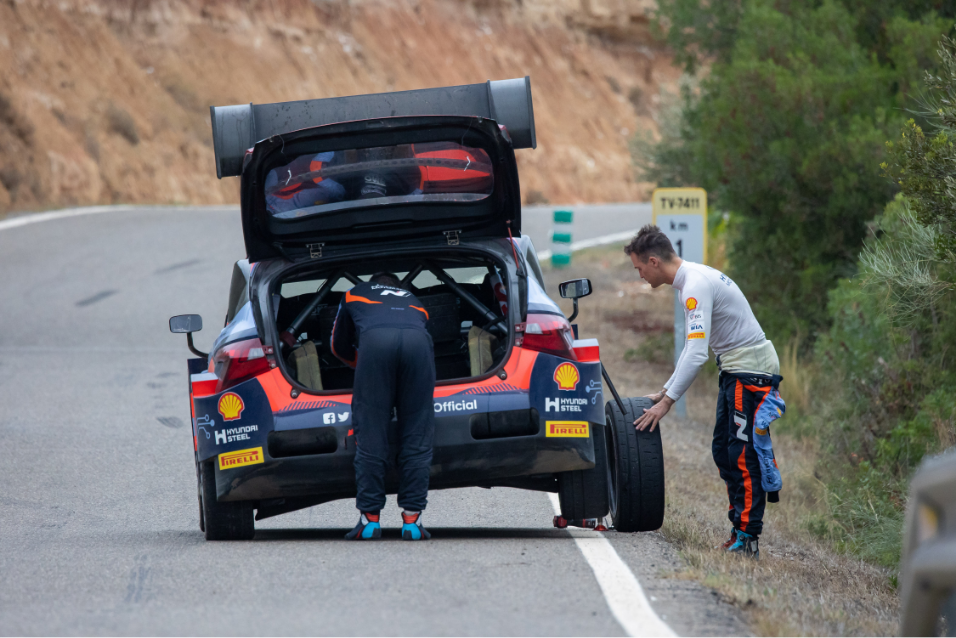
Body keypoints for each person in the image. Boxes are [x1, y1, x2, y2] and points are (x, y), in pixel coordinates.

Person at [626, 225, 785, 560]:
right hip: (738, 370)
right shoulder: (693, 278)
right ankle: (739, 532)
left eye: (638, 267)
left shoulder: (694, 287)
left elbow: (697, 354)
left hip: (750, 372)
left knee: (741, 455)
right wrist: (665, 390)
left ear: (653, 261)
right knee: (723, 451)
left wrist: (667, 403)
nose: (639, 275)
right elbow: (692, 348)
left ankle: (747, 537)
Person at [330, 272, 436, 541]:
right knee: (417, 430)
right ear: (397, 287)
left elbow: (338, 345)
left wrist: (363, 365)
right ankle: (413, 522)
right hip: (418, 346)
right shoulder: (415, 300)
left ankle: (370, 522)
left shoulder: (354, 294)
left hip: (375, 345)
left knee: (371, 431)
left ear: (371, 284)